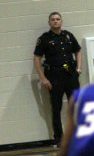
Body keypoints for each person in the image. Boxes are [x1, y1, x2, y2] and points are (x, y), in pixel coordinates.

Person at [34, 11, 82, 147]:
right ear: (49, 22)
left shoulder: (68, 36)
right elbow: (37, 58)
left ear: (61, 21)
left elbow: (78, 51)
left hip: (71, 75)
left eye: (58, 19)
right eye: (53, 19)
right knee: (56, 107)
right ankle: (59, 138)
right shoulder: (44, 39)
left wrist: (78, 68)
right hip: (54, 77)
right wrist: (43, 78)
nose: (55, 21)